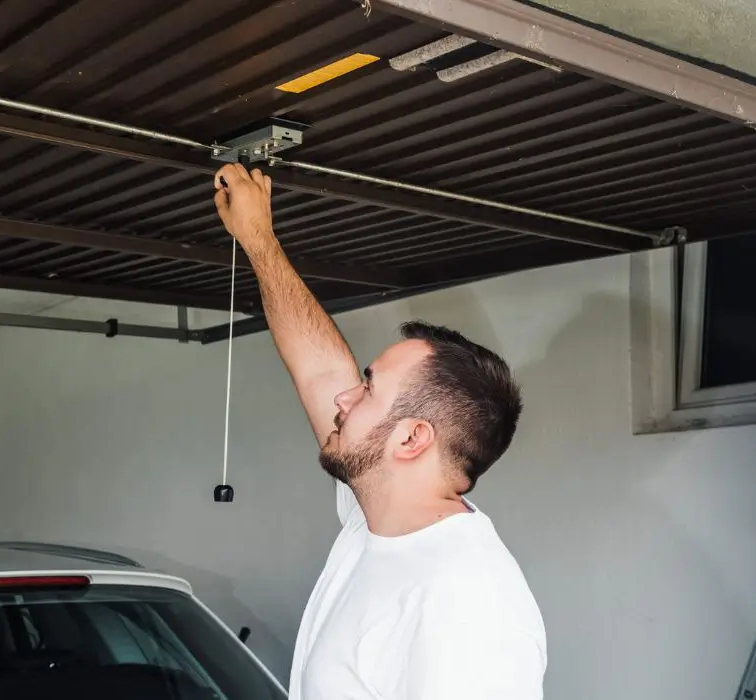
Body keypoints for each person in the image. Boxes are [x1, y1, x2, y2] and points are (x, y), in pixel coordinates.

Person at [212, 163, 546, 699]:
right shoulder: (373, 521)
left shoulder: (466, 601)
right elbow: (321, 372)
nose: (345, 397)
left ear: (411, 439)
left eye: (367, 389)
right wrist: (258, 240)